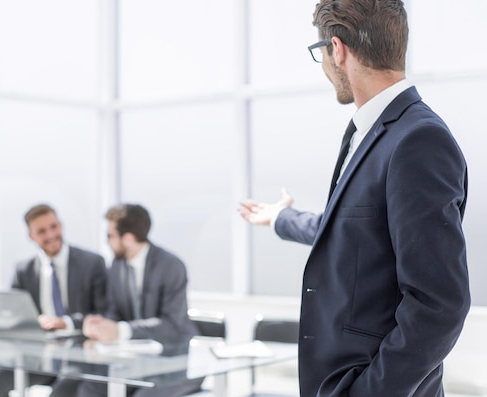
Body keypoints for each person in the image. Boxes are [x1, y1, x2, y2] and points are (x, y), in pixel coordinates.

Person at [239, 1, 470, 396]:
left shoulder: (418, 140)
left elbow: (439, 305)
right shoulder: (367, 132)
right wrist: (282, 218)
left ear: (338, 49)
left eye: (321, 55)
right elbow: (351, 229)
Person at [0, 203, 107, 397]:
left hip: (79, 357)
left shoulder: (92, 263)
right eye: (42, 231)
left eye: (54, 227)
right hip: (39, 357)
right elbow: (15, 312)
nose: (51, 235)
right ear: (31, 236)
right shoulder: (24, 269)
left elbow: (103, 313)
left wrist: (65, 323)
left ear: (60, 225)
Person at [77, 203, 203, 397]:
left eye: (110, 236)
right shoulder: (117, 266)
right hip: (134, 361)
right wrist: (102, 325)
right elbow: (114, 312)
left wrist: (120, 330)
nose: (107, 242)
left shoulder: (171, 266)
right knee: (90, 389)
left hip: (175, 362)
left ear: (127, 238)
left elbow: (171, 325)